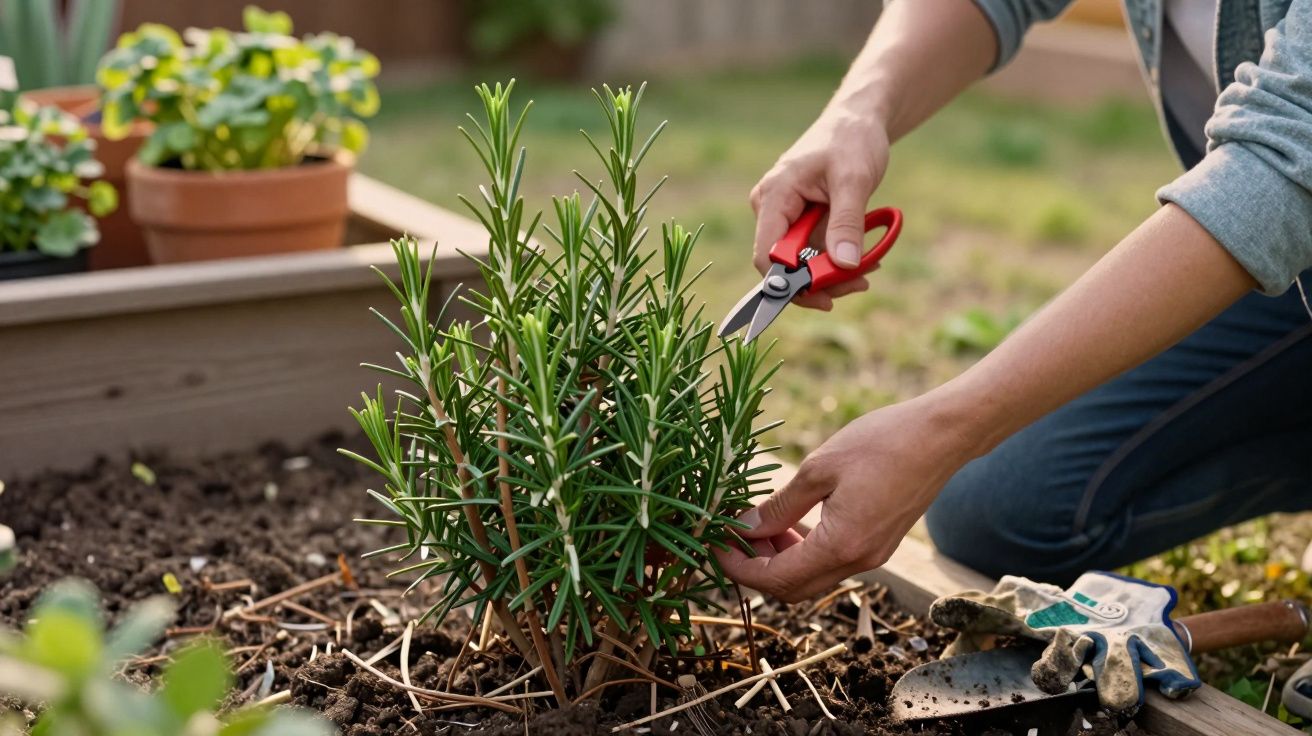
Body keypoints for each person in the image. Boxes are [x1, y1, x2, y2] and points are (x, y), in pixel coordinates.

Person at [717, 0, 1312, 602]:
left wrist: (946, 427)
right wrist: (856, 112)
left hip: (1283, 209)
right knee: (1001, 506)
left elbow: (1286, 160)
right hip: (1288, 267)